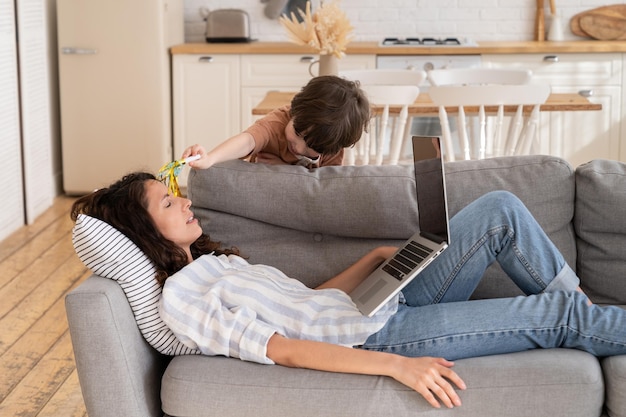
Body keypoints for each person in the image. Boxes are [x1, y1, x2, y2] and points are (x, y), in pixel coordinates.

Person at [70, 172, 626, 410]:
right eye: (169, 204)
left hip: (371, 304)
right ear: (143, 233)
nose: (185, 201)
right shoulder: (183, 299)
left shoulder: (213, 262)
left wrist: (375, 262)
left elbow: (306, 303)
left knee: (499, 211)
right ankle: (589, 322)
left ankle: (589, 318)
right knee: (554, 318)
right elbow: (282, 349)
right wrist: (394, 366)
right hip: (381, 336)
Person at [182, 75, 370, 169]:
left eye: (311, 146)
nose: (298, 146)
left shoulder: (331, 144)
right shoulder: (277, 122)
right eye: (297, 132)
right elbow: (247, 140)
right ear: (293, 112)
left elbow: (326, 189)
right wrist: (210, 158)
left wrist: (283, 171)